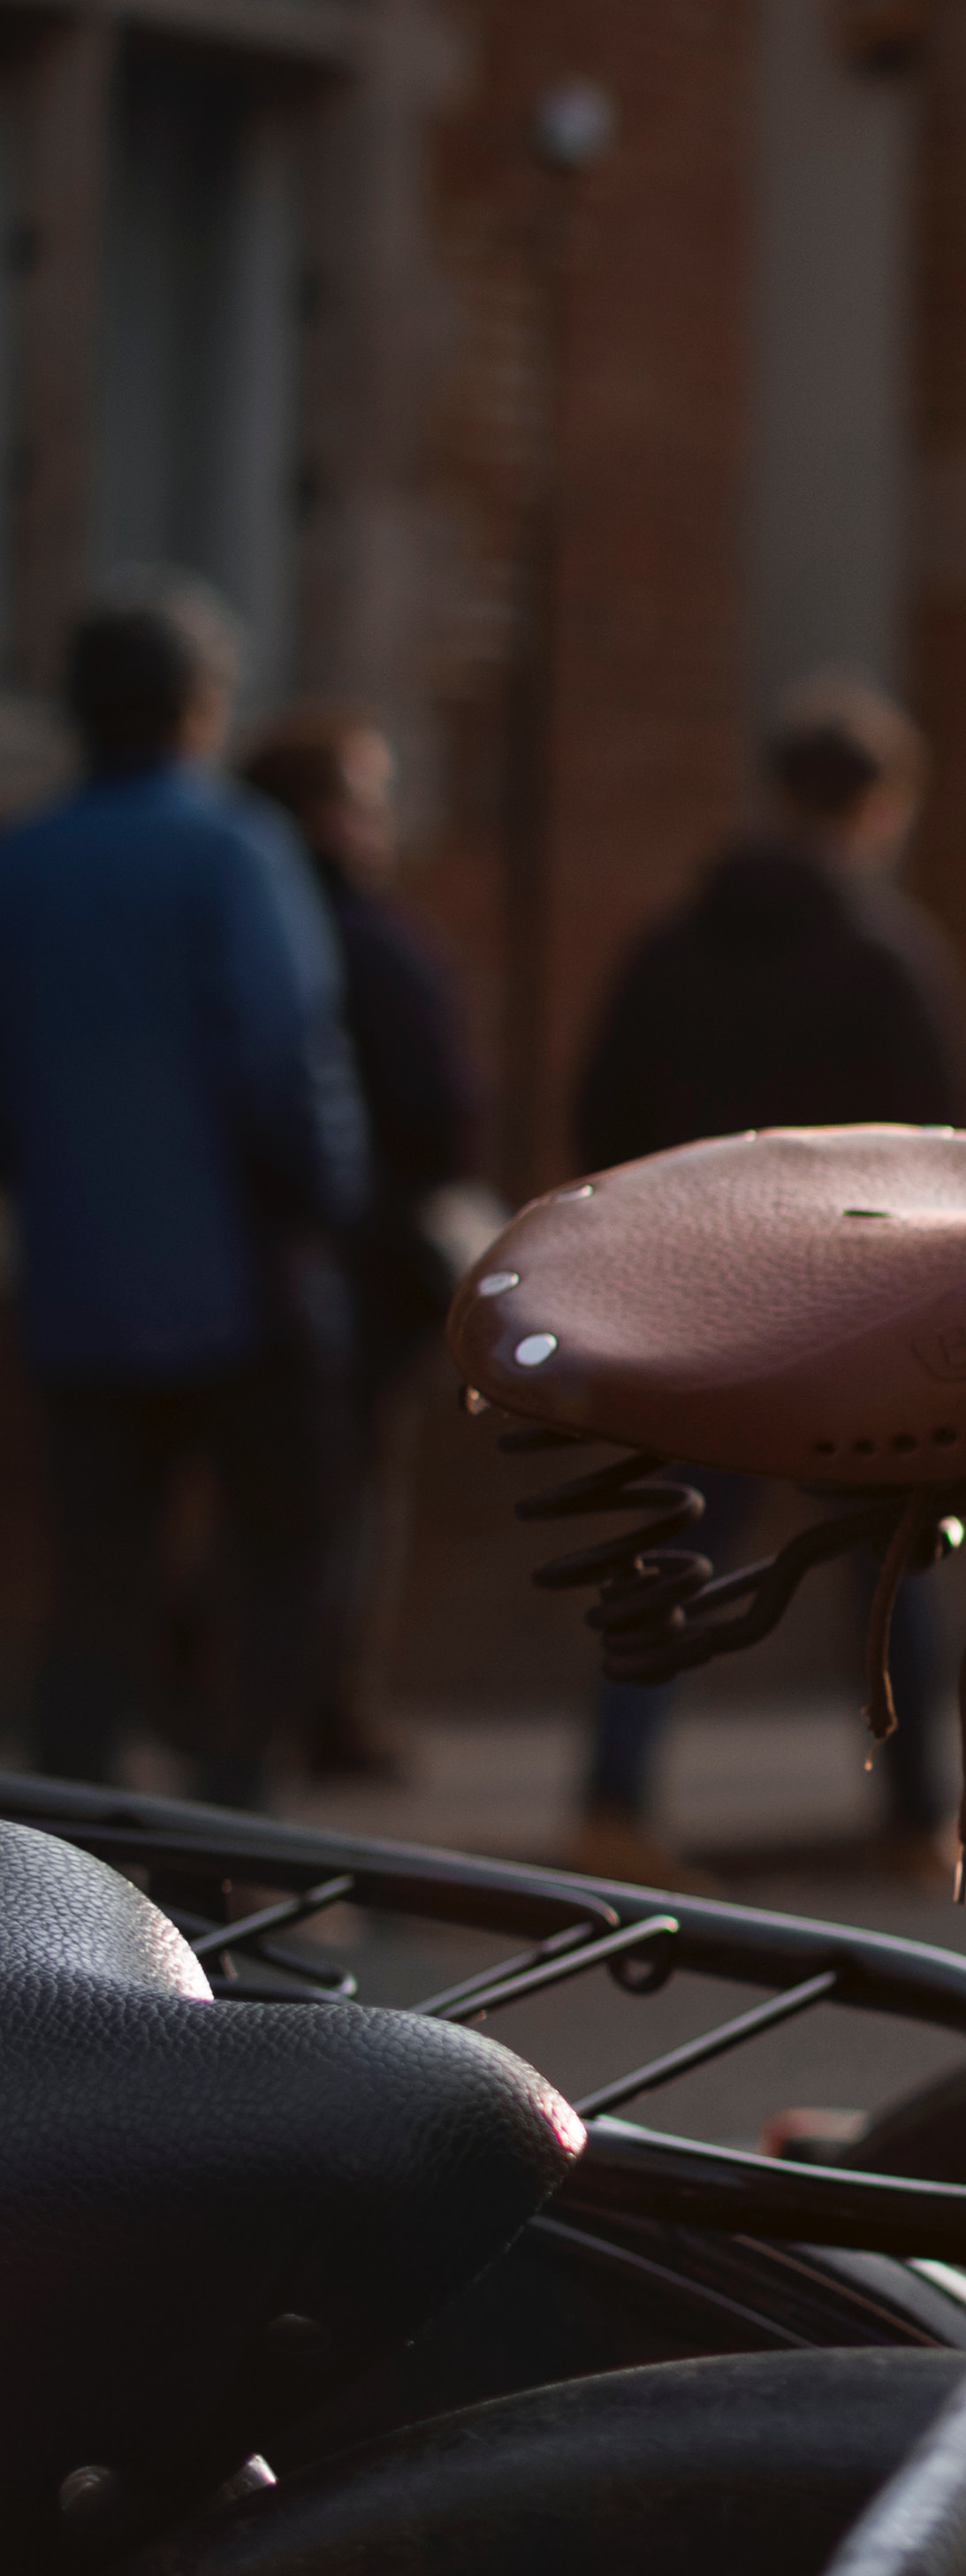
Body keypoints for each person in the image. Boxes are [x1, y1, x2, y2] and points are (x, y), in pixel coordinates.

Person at [567, 676, 966, 1890]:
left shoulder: (670, 947)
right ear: (881, 807)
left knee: (670, 1557)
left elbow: (600, 1114)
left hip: (695, 1303)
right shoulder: (885, 955)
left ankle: (611, 1805)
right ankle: (920, 1820)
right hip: (848, 1317)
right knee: (889, 1565)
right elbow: (948, 1148)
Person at [0, 592, 366, 1809]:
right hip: (237, 1281)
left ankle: (61, 1860)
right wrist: (331, 1201)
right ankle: (229, 1817)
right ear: (201, 710)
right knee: (283, 1542)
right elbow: (283, 1054)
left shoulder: (23, 862)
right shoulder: (234, 850)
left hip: (75, 1287)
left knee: (94, 1580)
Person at [243, 709, 485, 1788]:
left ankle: (258, 1708)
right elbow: (434, 1106)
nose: (382, 823)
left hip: (252, 1261)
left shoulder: (248, 916)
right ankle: (312, 1719)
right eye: (368, 799)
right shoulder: (365, 939)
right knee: (339, 1507)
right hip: (359, 1264)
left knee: (278, 1504)